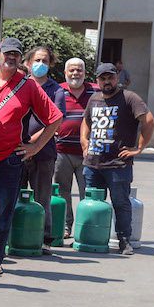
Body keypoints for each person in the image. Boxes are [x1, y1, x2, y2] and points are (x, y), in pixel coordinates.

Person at [0, 37, 62, 275]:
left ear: (19, 58)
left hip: (9, 161)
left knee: (3, 212)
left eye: (16, 54)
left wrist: (34, 149)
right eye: (7, 53)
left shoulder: (28, 86)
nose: (11, 57)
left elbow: (54, 118)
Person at [80, 63, 154, 254]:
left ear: (117, 77)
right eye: (102, 78)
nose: (107, 81)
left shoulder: (129, 98)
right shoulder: (94, 99)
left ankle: (124, 240)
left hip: (118, 164)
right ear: (97, 80)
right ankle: (94, 239)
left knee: (120, 202)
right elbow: (86, 122)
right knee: (92, 203)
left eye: (110, 77)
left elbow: (149, 121)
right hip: (93, 163)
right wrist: (84, 142)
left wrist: (139, 148)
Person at [21, 46, 60, 252]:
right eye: (37, 60)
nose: (40, 65)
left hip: (43, 152)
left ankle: (44, 239)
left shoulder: (56, 90)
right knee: (12, 195)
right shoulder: (19, 85)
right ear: (27, 63)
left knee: (42, 197)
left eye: (45, 61)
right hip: (17, 151)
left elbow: (54, 122)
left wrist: (32, 144)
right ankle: (13, 234)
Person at [53, 57, 96, 237]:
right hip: (61, 151)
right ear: (65, 73)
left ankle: (85, 229)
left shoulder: (96, 91)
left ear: (85, 73)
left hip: (88, 152)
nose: (75, 73)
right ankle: (65, 226)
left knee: (88, 192)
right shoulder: (58, 90)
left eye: (79, 70)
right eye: (71, 70)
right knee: (62, 191)